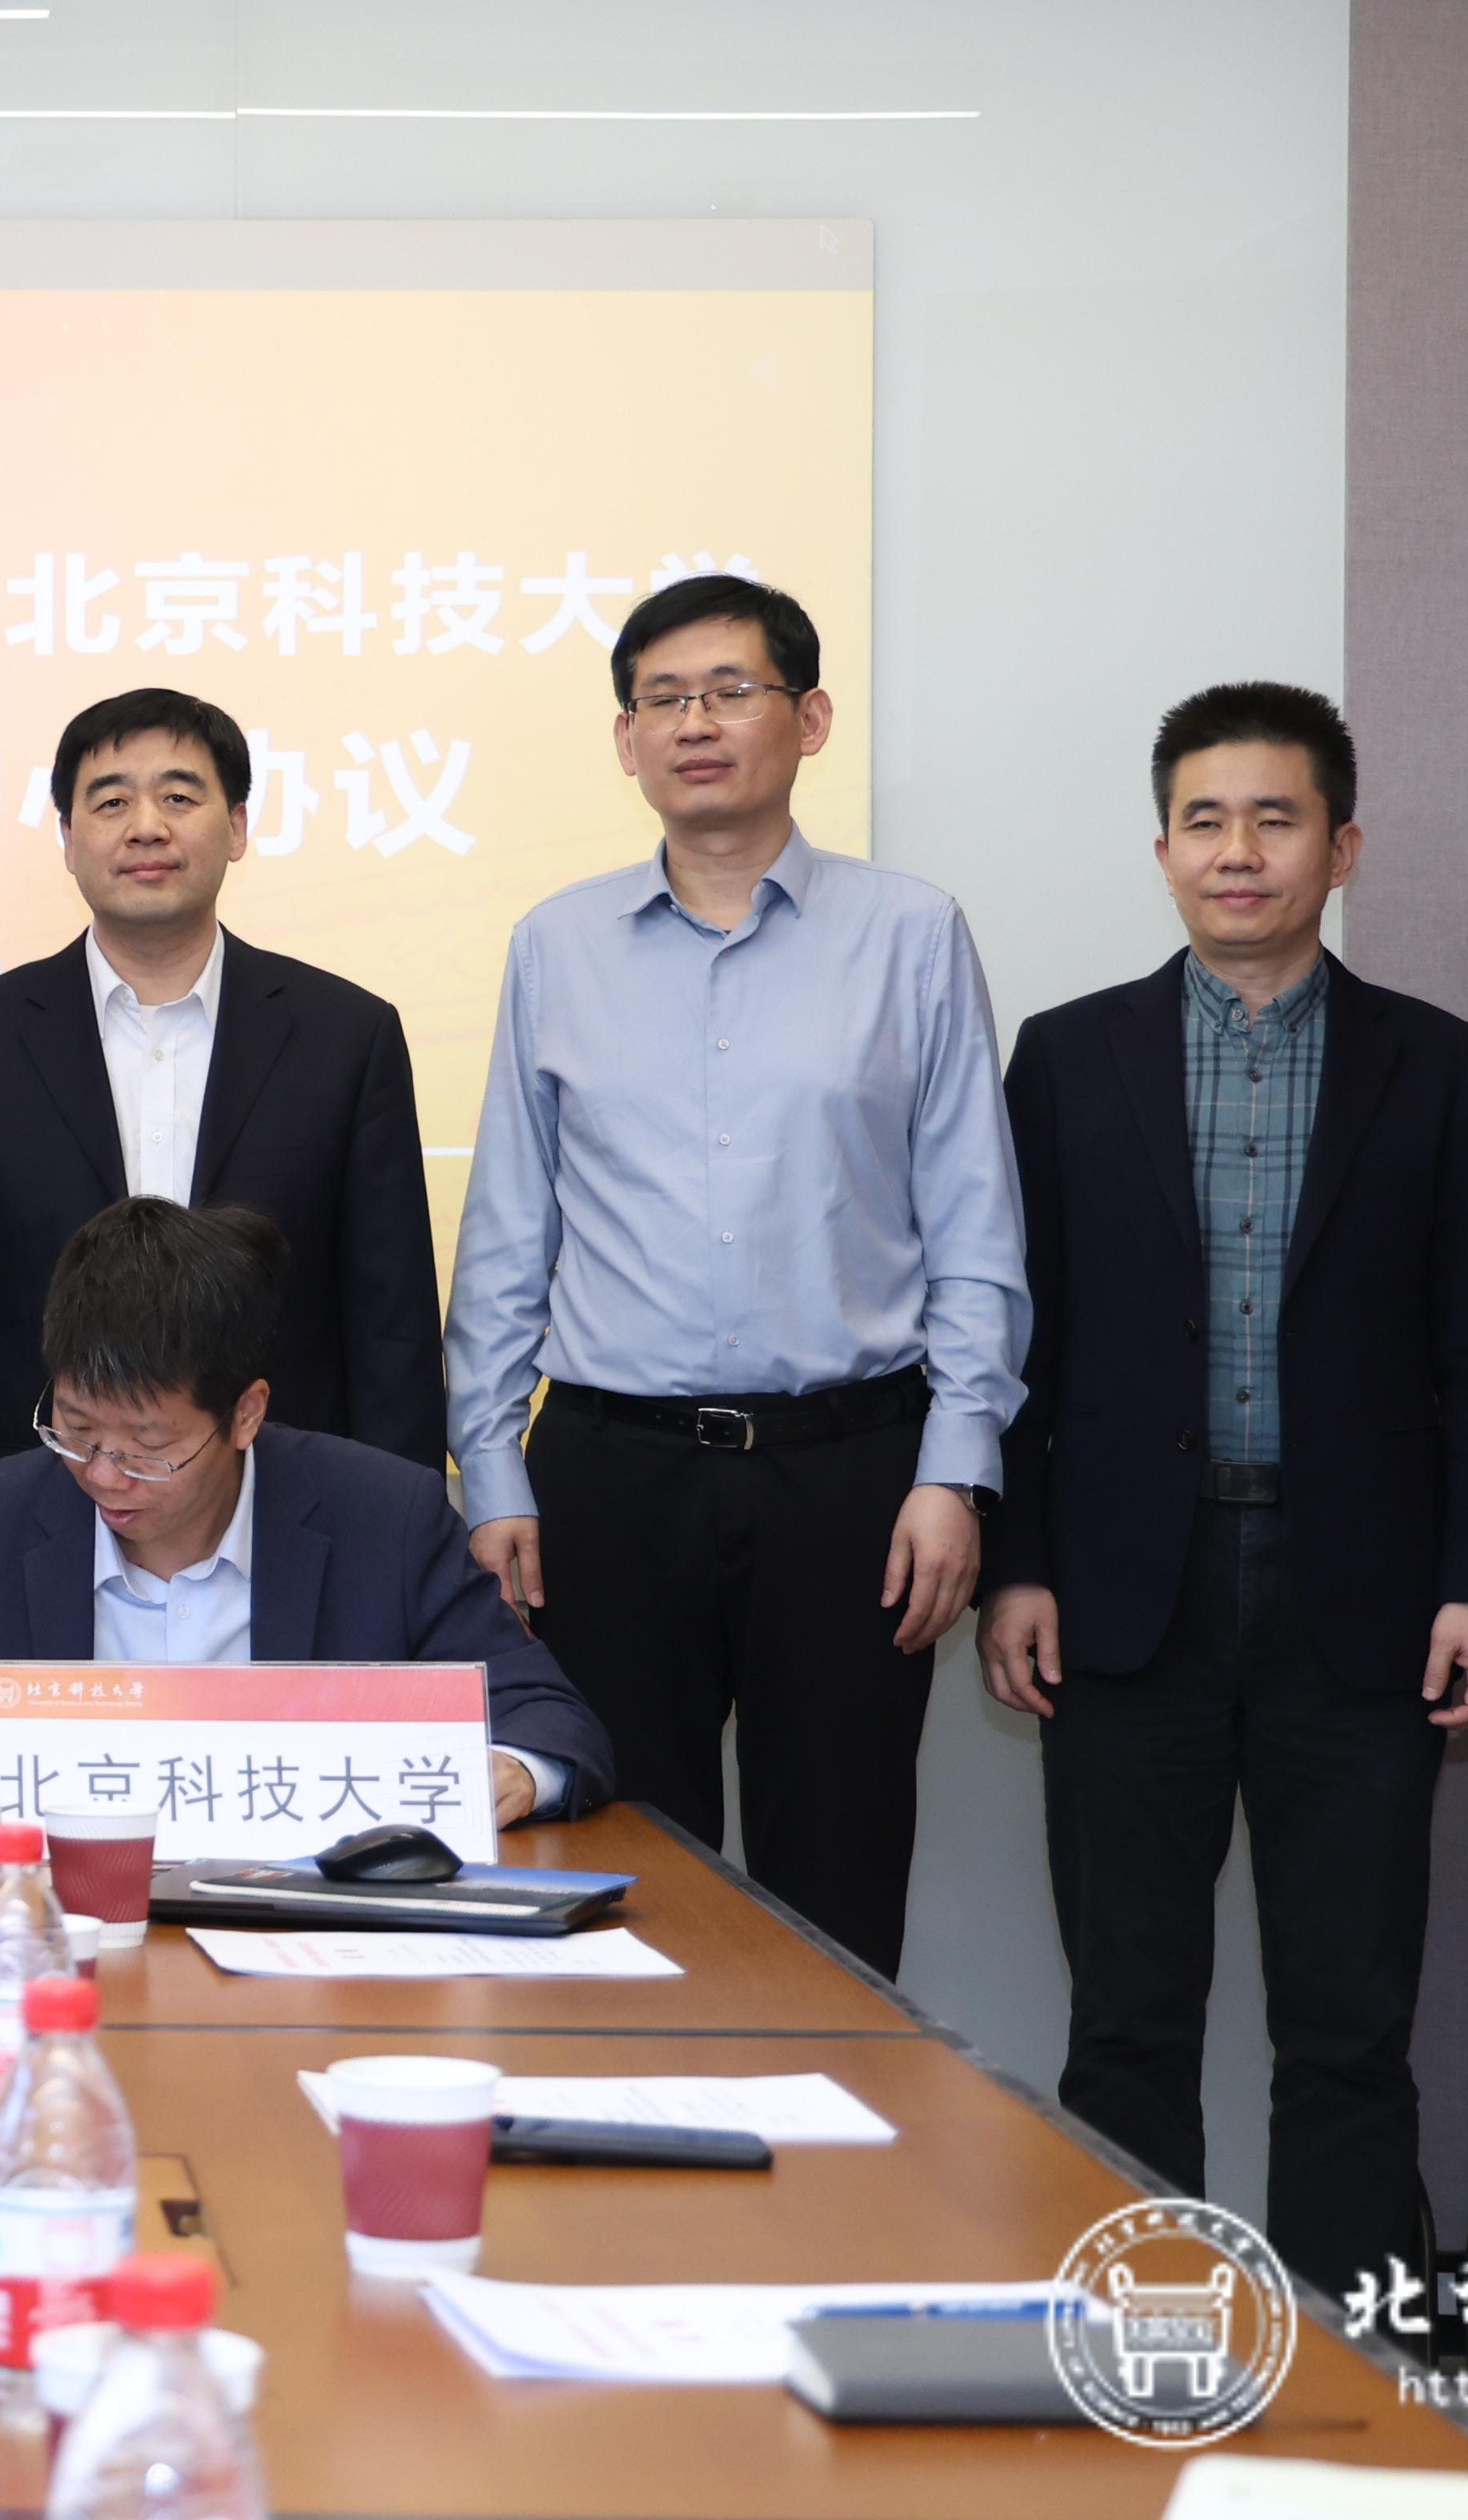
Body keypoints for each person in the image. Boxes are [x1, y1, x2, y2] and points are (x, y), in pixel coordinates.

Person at [977, 683, 1468, 2310]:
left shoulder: (1439, 1065)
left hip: (1361, 1594)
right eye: (1205, 819)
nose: (1238, 850)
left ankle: (1349, 2373)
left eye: (1274, 817)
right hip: (1122, 1592)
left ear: (1340, 846)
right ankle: (1140, 2345)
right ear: (1161, 847)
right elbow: (1013, 1332)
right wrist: (1018, 1561)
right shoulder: (1066, 1055)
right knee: (1126, 2016)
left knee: (1348, 2026)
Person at [440, 570, 1028, 1977]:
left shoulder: (909, 931)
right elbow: (508, 1234)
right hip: (608, 1474)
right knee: (610, 1875)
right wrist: (492, 1469)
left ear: (808, 719)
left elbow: (973, 1224)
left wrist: (954, 1468)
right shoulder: (556, 942)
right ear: (625, 738)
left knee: (838, 1877)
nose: (694, 724)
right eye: (662, 700)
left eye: (729, 691)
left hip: (850, 1474)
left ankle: (836, 2126)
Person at [0, 1198, 607, 1817]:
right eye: (76, 1430)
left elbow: (548, 1718)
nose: (104, 1475)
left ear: (245, 1414)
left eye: (147, 1447)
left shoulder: (383, 1517)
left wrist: (513, 1771)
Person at [0, 686, 442, 1567]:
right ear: (68, 839)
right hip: (36, 1518)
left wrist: (401, 1554)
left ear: (238, 825)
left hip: (296, 1515)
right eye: (111, 802)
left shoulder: (345, 1035)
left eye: (180, 796)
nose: (146, 827)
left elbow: (391, 1329)